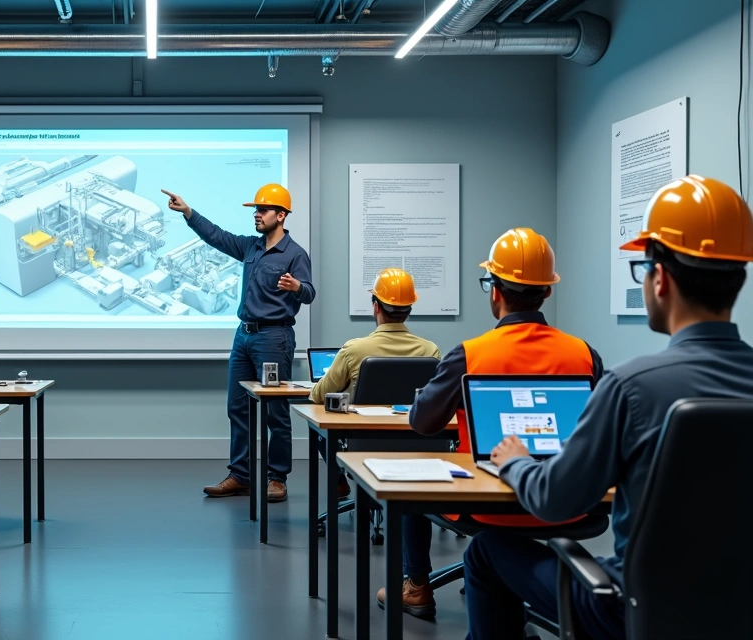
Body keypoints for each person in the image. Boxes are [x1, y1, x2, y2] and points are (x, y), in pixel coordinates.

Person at [463, 176, 753, 639]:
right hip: (740, 612)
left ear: (660, 279)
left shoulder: (631, 386)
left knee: (486, 551)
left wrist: (516, 462)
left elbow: (556, 500)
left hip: (636, 611)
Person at [382, 228, 605, 618]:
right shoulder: (584, 353)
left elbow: (423, 423)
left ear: (495, 291)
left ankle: (417, 586)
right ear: (547, 291)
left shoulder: (470, 354)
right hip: (568, 502)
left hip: (486, 506)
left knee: (409, 494)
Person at [162, 184, 315, 503]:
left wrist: (297, 287)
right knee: (237, 408)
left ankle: (277, 478)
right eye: (255, 210)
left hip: (274, 338)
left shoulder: (295, 254)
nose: (256, 214)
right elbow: (216, 236)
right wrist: (189, 213)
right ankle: (241, 476)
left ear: (281, 215)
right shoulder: (250, 247)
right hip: (243, 336)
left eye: (263, 209)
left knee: (275, 412)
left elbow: (310, 293)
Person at [309, 268, 440, 497]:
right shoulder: (430, 350)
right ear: (409, 309)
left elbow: (319, 396)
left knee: (321, 429)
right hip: (419, 443)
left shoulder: (354, 349)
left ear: (376, 307)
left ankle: (340, 481)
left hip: (362, 445)